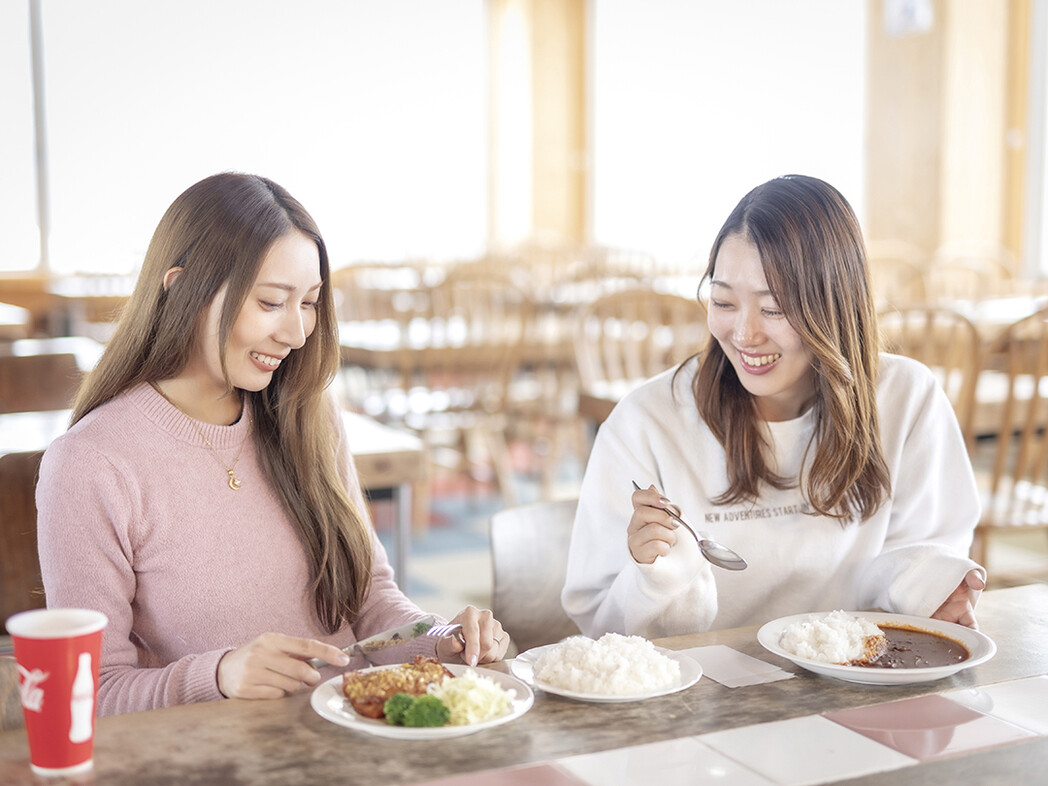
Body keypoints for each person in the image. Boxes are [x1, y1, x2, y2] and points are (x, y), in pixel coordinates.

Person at [36, 172, 509, 717]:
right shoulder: (91, 463)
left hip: (353, 741)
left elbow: (371, 599)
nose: (297, 332)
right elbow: (90, 693)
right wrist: (218, 674)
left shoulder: (309, 415)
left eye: (308, 303)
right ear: (179, 289)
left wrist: (442, 640)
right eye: (270, 302)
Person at [562, 174, 985, 640]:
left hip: (856, 678)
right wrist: (652, 574)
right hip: (699, 694)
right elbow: (598, 622)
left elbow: (918, 557)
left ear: (835, 305)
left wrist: (932, 590)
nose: (744, 334)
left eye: (774, 308)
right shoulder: (646, 422)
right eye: (723, 301)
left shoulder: (906, 398)